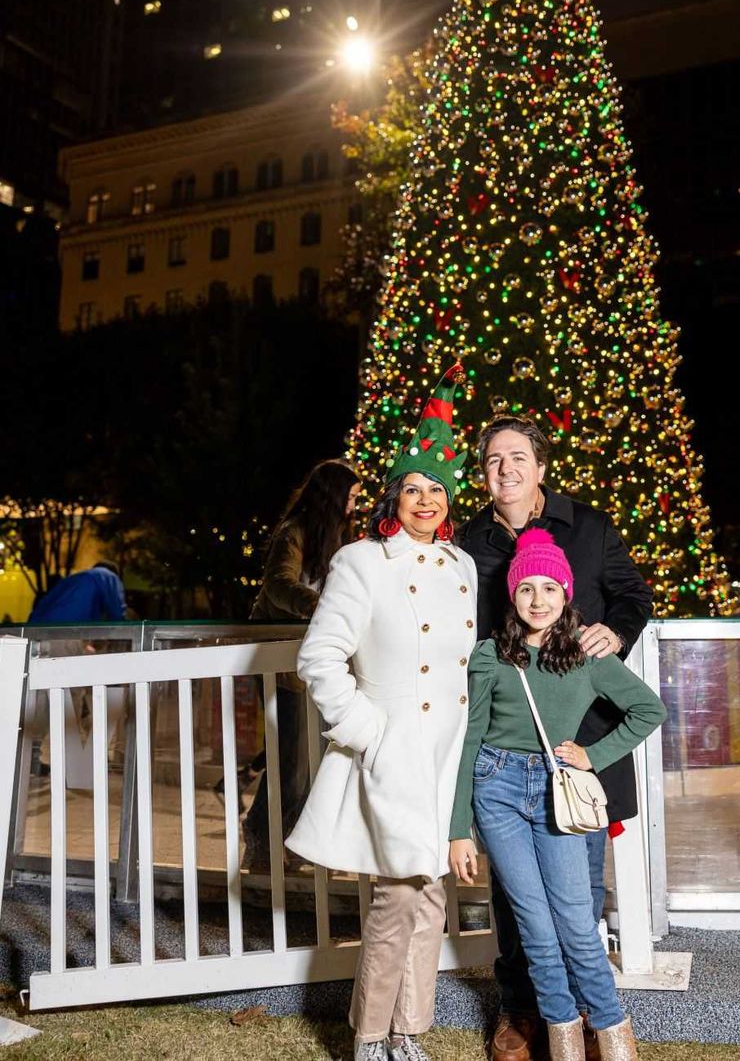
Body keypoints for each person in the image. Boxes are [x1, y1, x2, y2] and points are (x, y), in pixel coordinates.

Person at [286, 365, 477, 1061]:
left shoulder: (463, 566)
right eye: (413, 487)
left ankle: (409, 1033)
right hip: (391, 753)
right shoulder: (361, 562)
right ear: (393, 496)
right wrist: (368, 731)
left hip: (445, 756)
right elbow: (320, 658)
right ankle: (370, 1036)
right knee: (399, 899)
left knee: (432, 900)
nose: (425, 499)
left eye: (437, 488)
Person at [459, 416, 653, 1061]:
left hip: (579, 737)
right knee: (517, 902)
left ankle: (593, 1019)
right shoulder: (472, 543)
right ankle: (525, 1011)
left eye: (518, 457)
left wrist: (615, 632)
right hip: (506, 736)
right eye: (492, 461)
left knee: (578, 898)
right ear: (482, 473)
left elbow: (631, 594)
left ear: (541, 465)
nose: (506, 470)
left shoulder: (589, 527)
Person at [241, 458, 361, 871]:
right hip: (280, 657)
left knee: (308, 758)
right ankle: (261, 842)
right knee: (288, 758)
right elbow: (278, 585)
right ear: (332, 494)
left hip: (314, 661)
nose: (355, 504)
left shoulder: (341, 538)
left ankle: (291, 846)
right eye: (351, 496)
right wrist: (320, 607)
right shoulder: (294, 532)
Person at [28, 560, 127, 623]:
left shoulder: (74, 580)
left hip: (39, 627)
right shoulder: (108, 576)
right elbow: (118, 613)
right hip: (66, 630)